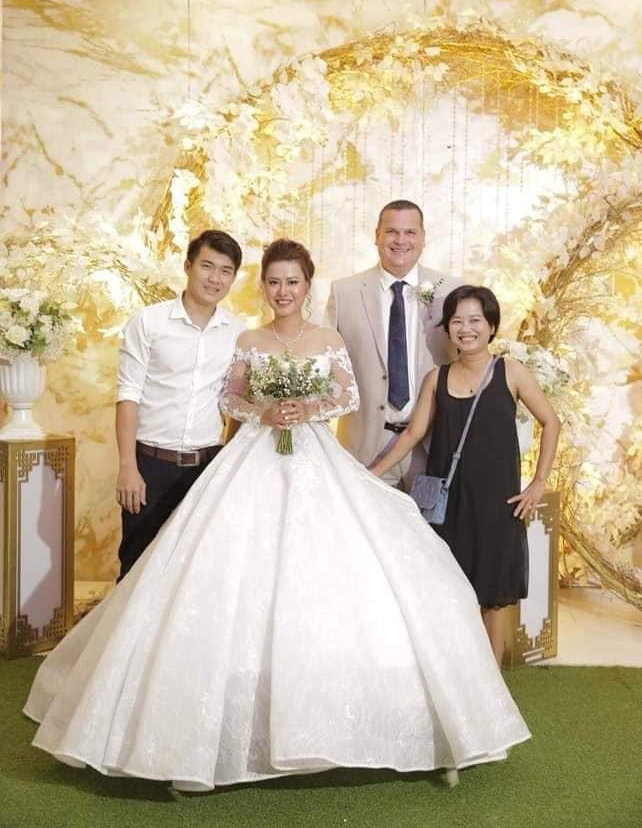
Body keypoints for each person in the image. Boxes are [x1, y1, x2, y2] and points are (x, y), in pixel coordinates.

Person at [24, 243, 530, 792]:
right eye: (274, 282)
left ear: (307, 286)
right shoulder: (248, 339)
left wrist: (309, 407)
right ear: (263, 286)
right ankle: (192, 737)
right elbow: (231, 399)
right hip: (253, 459)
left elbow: (347, 395)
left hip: (315, 459)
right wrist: (263, 411)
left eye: (293, 282)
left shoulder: (328, 339)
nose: (283, 291)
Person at [371, 285, 561, 663]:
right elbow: (412, 435)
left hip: (497, 503)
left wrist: (538, 482)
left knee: (492, 596)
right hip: (446, 506)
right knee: (449, 591)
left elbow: (551, 422)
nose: (466, 328)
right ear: (448, 329)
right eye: (457, 321)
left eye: (475, 320)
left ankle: (491, 681)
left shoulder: (511, 372)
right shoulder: (436, 378)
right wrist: (369, 475)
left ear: (491, 326)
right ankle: (455, 675)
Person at [115, 228, 244, 578]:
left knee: (194, 575)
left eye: (225, 271)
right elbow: (128, 395)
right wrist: (128, 466)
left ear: (233, 278)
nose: (214, 278)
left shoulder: (237, 332)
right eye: (207, 266)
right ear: (188, 266)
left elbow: (235, 402)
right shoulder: (148, 322)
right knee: (136, 568)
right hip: (150, 465)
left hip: (206, 469)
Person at [326, 199, 460, 488]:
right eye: (391, 231)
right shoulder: (344, 292)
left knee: (429, 519)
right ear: (376, 235)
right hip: (364, 447)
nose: (400, 240)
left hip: (433, 444)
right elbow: (326, 365)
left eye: (410, 232)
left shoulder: (452, 291)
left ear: (423, 238)